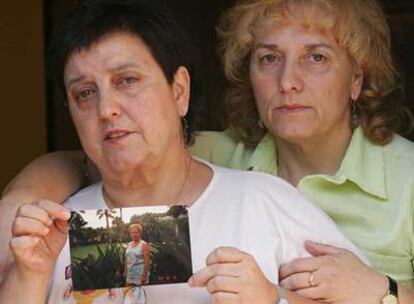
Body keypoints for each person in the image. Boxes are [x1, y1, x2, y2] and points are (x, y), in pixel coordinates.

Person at [0, 0, 412, 303]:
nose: (107, 110)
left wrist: (381, 292)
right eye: (84, 93)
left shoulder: (265, 198)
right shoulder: (57, 233)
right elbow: (91, 161)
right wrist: (18, 215)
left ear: (179, 91)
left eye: (127, 81)